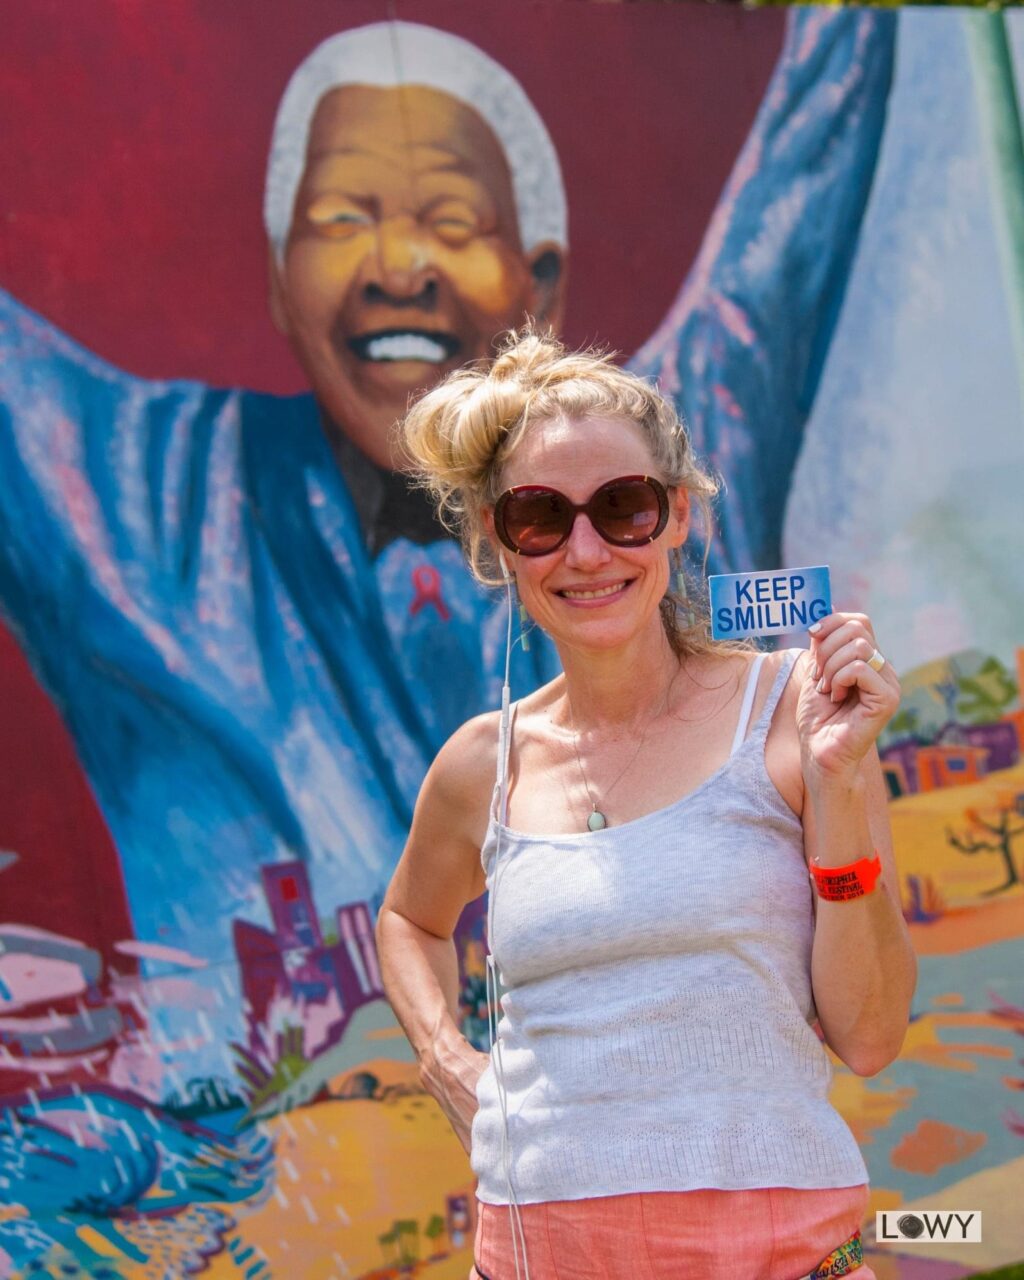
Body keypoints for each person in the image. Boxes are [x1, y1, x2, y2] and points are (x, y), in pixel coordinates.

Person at [0, 12, 896, 1092]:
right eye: (339, 216)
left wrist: (842, 820)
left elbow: (801, 184)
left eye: (455, 217)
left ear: (542, 280)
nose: (400, 264)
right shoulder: (127, 501)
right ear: (280, 278)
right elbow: (409, 919)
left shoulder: (664, 456)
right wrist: (443, 1056)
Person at [376, 327, 917, 1280]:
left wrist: (835, 784)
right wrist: (445, 1059)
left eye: (622, 506)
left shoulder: (795, 715)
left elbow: (870, 1037)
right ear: (499, 543)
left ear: (676, 515)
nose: (585, 551)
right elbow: (409, 918)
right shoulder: (481, 764)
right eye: (540, 516)